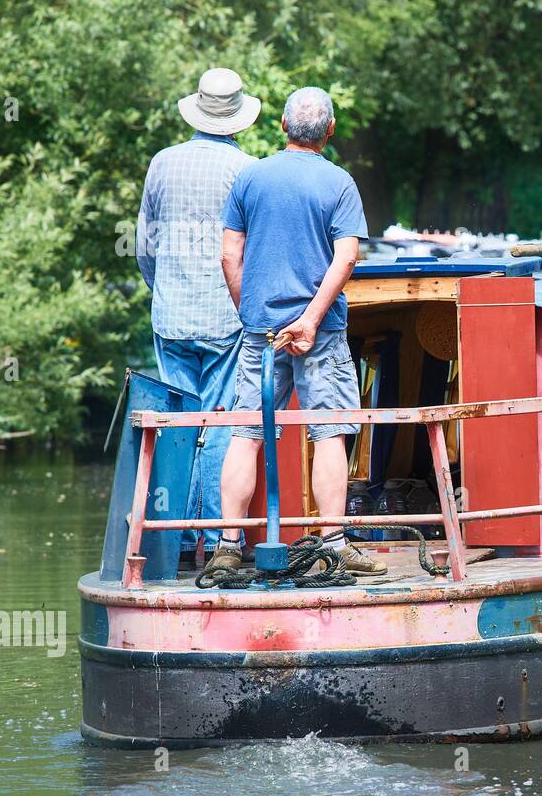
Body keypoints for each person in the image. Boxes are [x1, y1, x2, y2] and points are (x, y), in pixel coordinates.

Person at [206, 86, 385, 576]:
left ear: (282, 127)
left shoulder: (250, 177)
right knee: (328, 433)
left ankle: (226, 546)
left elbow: (228, 255)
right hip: (321, 334)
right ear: (329, 132)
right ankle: (332, 542)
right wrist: (309, 320)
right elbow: (346, 255)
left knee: (245, 432)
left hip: (259, 333)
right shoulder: (340, 183)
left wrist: (254, 317)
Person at [136, 68, 260, 563]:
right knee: (222, 424)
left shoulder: (162, 163)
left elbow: (145, 242)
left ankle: (178, 542)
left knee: (179, 425)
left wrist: (161, 287)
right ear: (236, 118)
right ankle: (216, 541)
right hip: (226, 316)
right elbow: (250, 249)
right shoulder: (246, 169)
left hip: (171, 316)